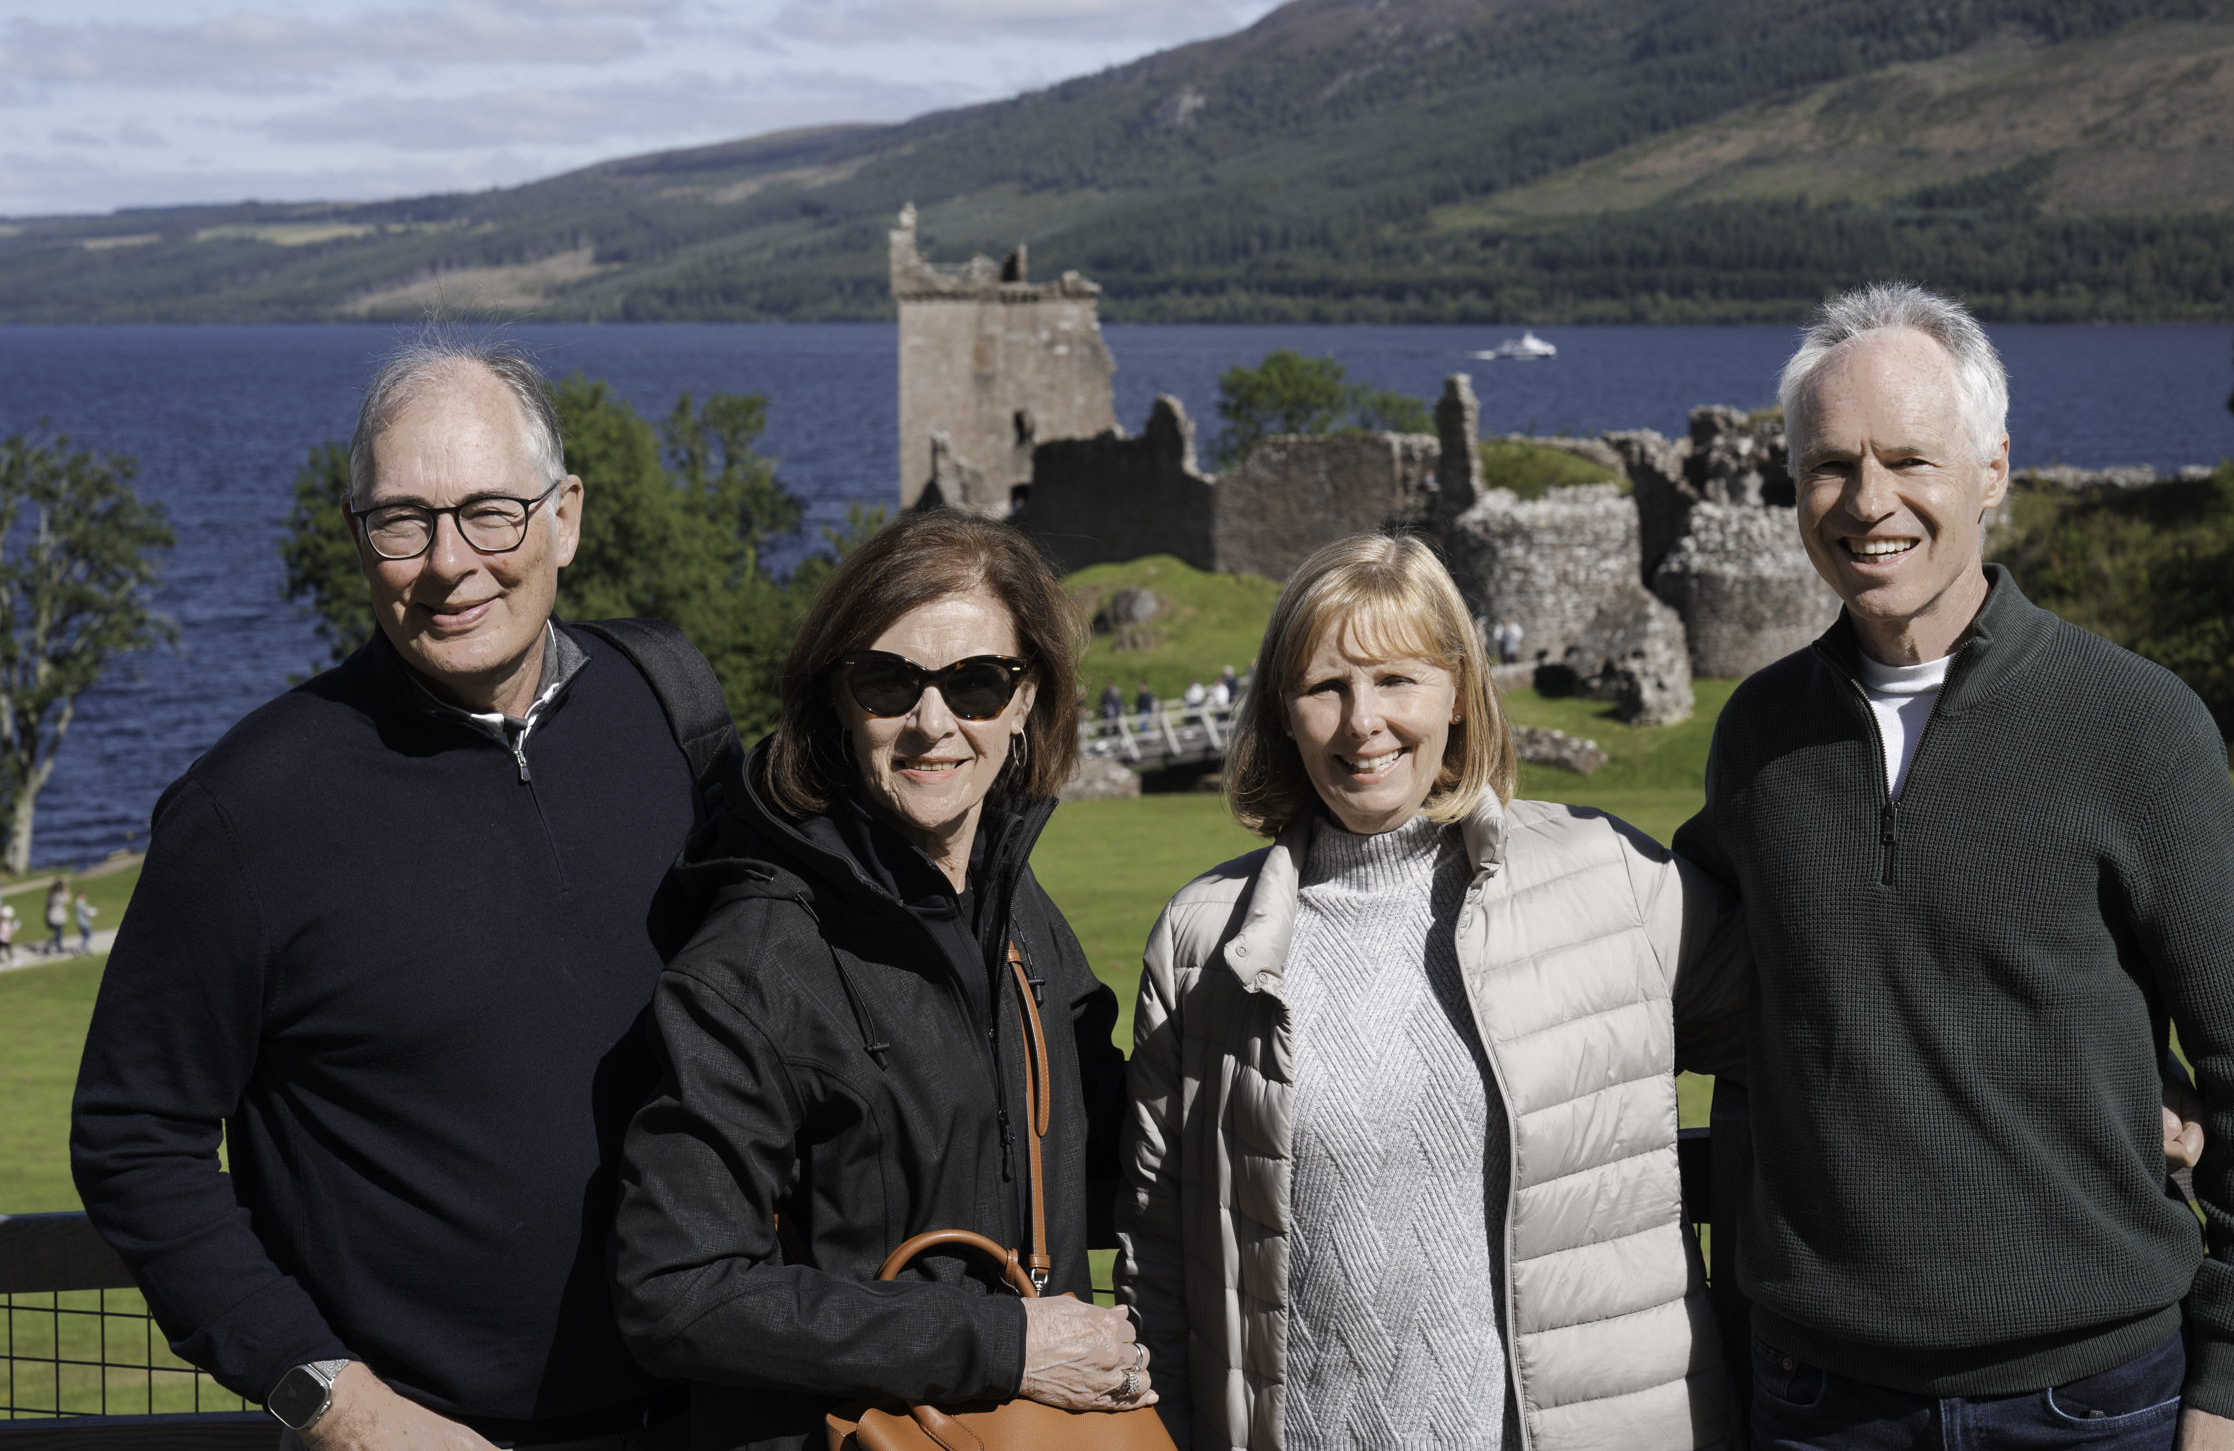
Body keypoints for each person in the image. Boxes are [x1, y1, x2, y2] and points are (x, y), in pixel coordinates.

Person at [1674, 284, 2234, 1451]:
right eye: (1829, 466)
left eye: (1910, 459)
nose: (1868, 502)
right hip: (1822, 1404)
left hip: (2095, 1400)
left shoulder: (2133, 725)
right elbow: (1693, 981)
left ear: (1992, 470)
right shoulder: (1760, 738)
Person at [72, 338, 738, 1451]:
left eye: (491, 512)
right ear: (357, 538)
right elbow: (134, 1139)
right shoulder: (249, 809)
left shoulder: (671, 714)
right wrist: (337, 1405)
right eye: (402, 522)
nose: (448, 562)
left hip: (715, 1413)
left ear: (563, 517)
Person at [1117, 533, 1752, 1451]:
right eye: (1325, 687)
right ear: (1283, 715)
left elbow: (1811, 1038)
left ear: (1458, 692)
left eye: (1395, 679)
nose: (1362, 721)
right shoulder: (1205, 940)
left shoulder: (1607, 878)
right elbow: (1159, 1261)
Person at [613, 511, 1152, 1451]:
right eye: (887, 681)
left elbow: (1107, 1146)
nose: (933, 722)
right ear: (836, 700)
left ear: (1028, 701)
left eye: (978, 683)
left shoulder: (1020, 914)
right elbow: (676, 1289)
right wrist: (1001, 1341)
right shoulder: (757, 962)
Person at [43, 877, 69, 955]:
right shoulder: (60, 896)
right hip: (58, 917)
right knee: (58, 934)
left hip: (52, 915)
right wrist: (66, 890)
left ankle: (59, 948)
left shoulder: (51, 894)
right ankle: (48, 946)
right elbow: (68, 900)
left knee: (58, 933)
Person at [72, 888, 95, 955]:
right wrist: (93, 913)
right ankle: (79, 948)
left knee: (84, 936)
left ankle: (85, 948)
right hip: (84, 922)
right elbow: (87, 913)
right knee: (88, 935)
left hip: (79, 922)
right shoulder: (81, 904)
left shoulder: (76, 904)